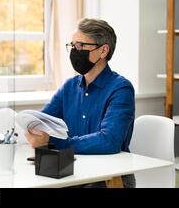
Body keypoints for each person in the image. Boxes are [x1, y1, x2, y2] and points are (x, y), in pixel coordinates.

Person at [24, 18, 136, 188]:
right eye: (72, 46)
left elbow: (109, 140)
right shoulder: (69, 86)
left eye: (80, 46)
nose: (74, 52)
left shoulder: (121, 89)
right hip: (73, 170)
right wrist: (33, 129)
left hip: (110, 177)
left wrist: (56, 142)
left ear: (103, 50)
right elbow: (42, 121)